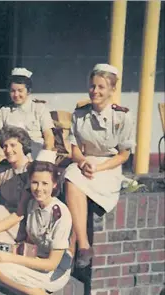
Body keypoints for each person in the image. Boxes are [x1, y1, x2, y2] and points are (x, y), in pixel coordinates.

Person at [64, 63, 136, 268]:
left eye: (101, 87)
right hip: (85, 162)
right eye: (92, 86)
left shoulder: (122, 116)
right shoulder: (80, 114)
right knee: (71, 177)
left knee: (75, 180)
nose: (95, 91)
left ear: (112, 90)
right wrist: (82, 161)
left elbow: (123, 155)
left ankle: (73, 245)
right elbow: (74, 147)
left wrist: (99, 168)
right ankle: (84, 246)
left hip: (109, 166)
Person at [0, 150, 73, 295]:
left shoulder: (60, 214)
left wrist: (11, 258)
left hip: (52, 272)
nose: (39, 189)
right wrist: (8, 251)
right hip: (33, 259)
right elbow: (30, 243)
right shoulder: (32, 204)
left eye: (45, 183)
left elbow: (51, 264)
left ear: (54, 184)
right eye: (35, 183)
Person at [0, 68, 55, 161]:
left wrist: (44, 155)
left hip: (34, 151)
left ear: (28, 91)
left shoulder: (39, 109)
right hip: (10, 152)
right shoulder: (4, 111)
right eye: (12, 91)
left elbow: (49, 136)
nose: (16, 95)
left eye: (20, 91)